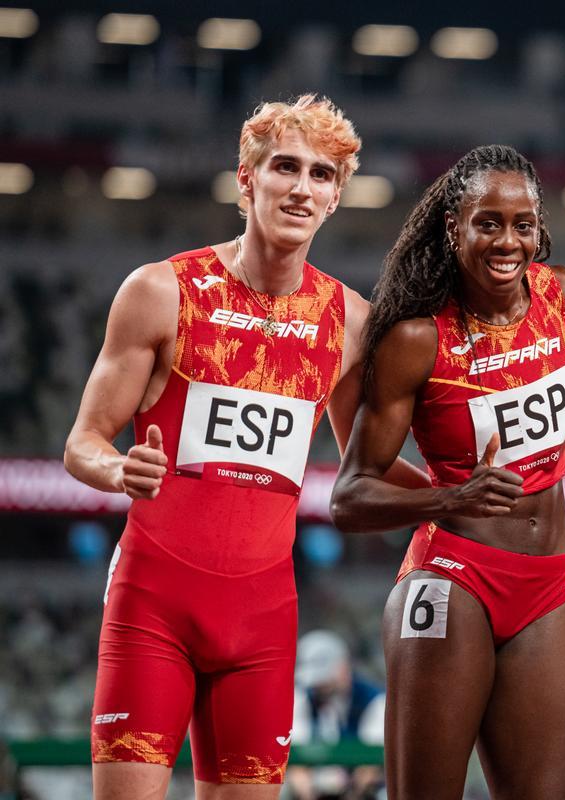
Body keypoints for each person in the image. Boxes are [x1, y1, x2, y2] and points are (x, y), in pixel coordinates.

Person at [63, 94, 427, 799]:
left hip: (263, 620)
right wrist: (117, 468)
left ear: (336, 197)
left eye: (321, 175)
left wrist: (457, 499)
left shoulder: (352, 321)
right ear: (246, 179)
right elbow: (82, 441)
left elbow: (368, 467)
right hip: (153, 606)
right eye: (284, 167)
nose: (301, 187)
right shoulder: (160, 292)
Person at [328, 144, 565, 800]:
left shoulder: (560, 295)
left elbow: (545, 437)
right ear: (452, 228)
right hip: (453, 578)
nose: (507, 240)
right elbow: (349, 495)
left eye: (523, 224)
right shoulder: (416, 341)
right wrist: (448, 496)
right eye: (487, 222)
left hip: (548, 586)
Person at [289, 629, 386, 800]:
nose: (319, 685)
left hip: (358, 790)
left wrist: (352, 794)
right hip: (314, 787)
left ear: (343, 667)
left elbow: (370, 764)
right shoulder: (303, 697)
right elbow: (296, 760)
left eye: (324, 678)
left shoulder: (374, 701)